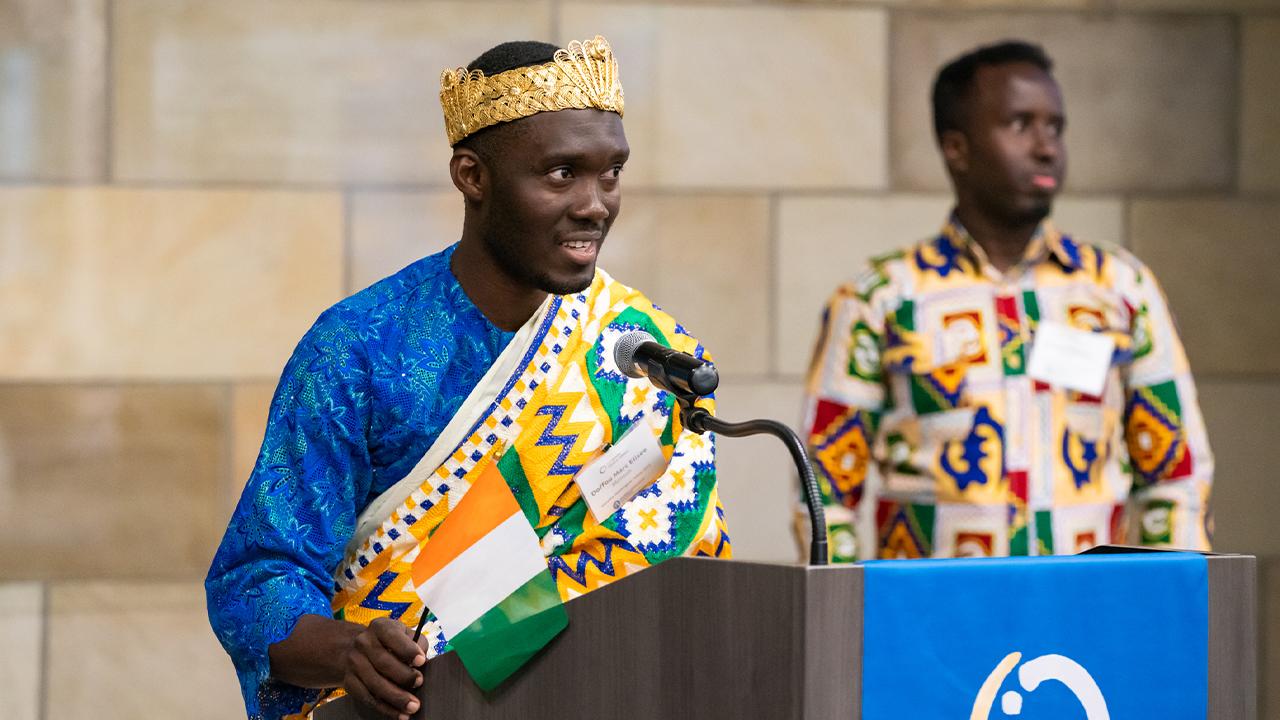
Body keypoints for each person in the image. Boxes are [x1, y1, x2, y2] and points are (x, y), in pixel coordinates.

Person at [206, 36, 731, 720]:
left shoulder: (650, 354)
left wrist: (502, 635)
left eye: (611, 173)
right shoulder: (359, 348)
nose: (595, 204)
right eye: (561, 173)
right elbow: (258, 579)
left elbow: (677, 565)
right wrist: (352, 651)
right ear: (472, 176)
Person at [800, 40, 1212, 562]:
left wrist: (1163, 609)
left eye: (1055, 127)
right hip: (935, 624)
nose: (1046, 147)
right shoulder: (878, 298)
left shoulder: (1120, 288)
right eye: (1020, 124)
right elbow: (822, 491)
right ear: (957, 148)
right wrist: (855, 623)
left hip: (1085, 619)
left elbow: (1176, 476)